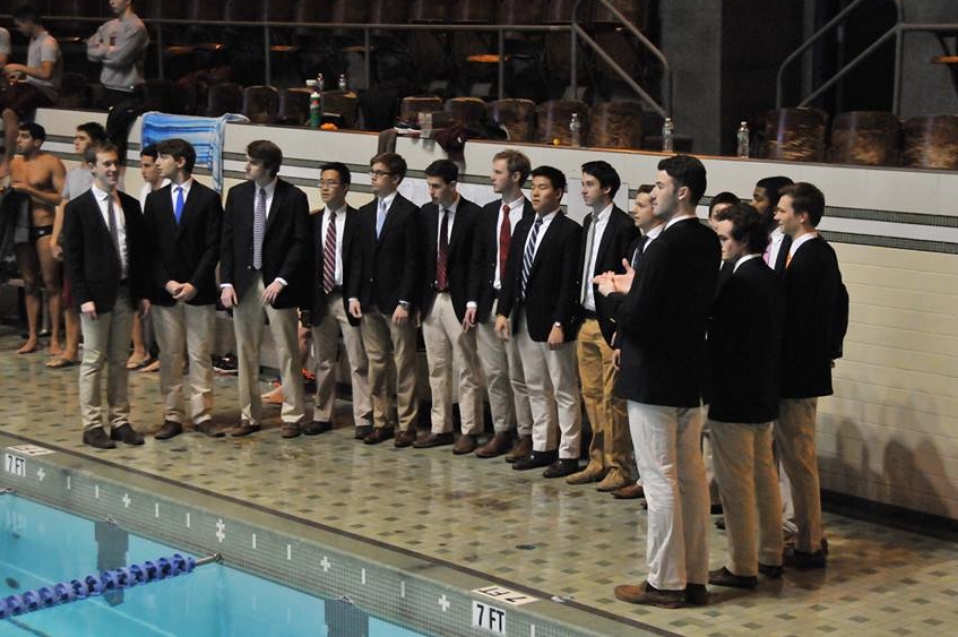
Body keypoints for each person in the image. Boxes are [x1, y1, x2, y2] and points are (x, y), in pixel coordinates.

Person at [599, 155, 720, 608]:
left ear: (682, 191)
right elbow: (673, 302)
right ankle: (693, 577)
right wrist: (638, 288)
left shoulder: (663, 245)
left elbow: (643, 315)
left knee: (659, 480)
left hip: (653, 371)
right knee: (688, 478)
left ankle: (664, 581)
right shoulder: (705, 241)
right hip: (687, 370)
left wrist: (611, 296)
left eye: (660, 184)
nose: (654, 192)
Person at [707, 202, 785, 588]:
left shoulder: (739, 282)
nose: (719, 245)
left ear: (742, 239)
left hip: (735, 395)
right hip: (762, 393)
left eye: (723, 238)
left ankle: (741, 565)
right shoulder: (768, 276)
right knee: (764, 476)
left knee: (736, 484)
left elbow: (724, 341)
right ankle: (771, 553)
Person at [774, 182, 848, 569]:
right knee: (790, 458)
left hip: (799, 373)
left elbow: (825, 312)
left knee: (799, 458)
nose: (776, 214)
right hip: (793, 370)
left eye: (783, 210)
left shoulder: (815, 256)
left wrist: (825, 353)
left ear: (802, 215)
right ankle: (797, 529)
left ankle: (809, 540)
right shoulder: (794, 251)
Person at [495, 165, 582, 478]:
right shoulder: (523, 226)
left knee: (564, 389)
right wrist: (503, 311)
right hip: (525, 319)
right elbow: (511, 273)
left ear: (558, 193)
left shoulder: (570, 231)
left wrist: (561, 322)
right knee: (535, 386)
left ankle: (569, 452)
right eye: (534, 186)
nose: (535, 192)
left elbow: (569, 282)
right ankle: (542, 446)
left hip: (554, 323)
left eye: (543, 187)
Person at [220, 140, 311, 438]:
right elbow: (229, 241)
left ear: (269, 168)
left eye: (253, 162)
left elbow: (300, 242)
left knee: (287, 350)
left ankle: (293, 414)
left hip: (278, 284)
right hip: (245, 282)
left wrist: (281, 279)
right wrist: (227, 282)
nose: (247, 167)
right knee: (246, 350)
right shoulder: (237, 195)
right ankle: (249, 414)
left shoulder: (293, 197)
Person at [62, 141, 149, 449]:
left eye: (115, 163)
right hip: (95, 296)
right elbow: (72, 258)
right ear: (92, 168)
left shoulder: (129, 205)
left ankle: (120, 420)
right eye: (106, 164)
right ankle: (92, 423)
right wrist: (82, 296)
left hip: (126, 292)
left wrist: (143, 292)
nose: (113, 169)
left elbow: (138, 252)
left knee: (119, 359)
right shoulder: (78, 208)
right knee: (93, 359)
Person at [144, 138, 223, 440]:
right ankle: (172, 414)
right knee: (170, 354)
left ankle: (202, 413)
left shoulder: (207, 198)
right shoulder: (155, 200)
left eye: (163, 157)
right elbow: (149, 249)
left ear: (180, 161)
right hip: (166, 290)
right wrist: (167, 282)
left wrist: (195, 282)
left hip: (197, 289)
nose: (158, 163)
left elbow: (213, 246)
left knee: (200, 353)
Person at [567, 160, 637, 492]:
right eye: (582, 183)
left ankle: (619, 465)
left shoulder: (623, 226)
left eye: (590, 184)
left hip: (608, 323)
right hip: (585, 318)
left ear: (607, 188)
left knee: (613, 400)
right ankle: (597, 460)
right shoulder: (587, 221)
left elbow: (625, 281)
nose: (583, 189)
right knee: (591, 396)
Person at [347, 152, 422, 448]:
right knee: (376, 364)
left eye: (379, 173)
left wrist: (406, 301)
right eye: (372, 172)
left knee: (404, 363)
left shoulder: (409, 213)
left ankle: (407, 423)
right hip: (368, 300)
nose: (373, 177)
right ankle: (381, 420)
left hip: (396, 301)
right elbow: (356, 258)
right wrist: (353, 294)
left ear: (396, 179)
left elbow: (413, 262)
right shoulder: (364, 213)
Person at [465, 149, 534, 461]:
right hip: (488, 300)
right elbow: (478, 260)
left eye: (498, 172)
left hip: (517, 306)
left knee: (519, 374)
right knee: (493, 373)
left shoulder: (532, 215)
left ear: (516, 176)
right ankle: (502, 429)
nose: (492, 177)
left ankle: (527, 433)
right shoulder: (488, 213)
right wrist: (471, 301)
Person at [416, 159, 483, 453]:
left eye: (436, 186)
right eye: (428, 185)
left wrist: (472, 301)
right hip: (433, 298)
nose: (431, 192)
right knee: (437, 366)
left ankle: (469, 428)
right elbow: (419, 259)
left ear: (453, 185)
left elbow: (477, 263)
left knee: (466, 367)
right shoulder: (426, 214)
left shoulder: (473, 216)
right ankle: (440, 426)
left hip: (459, 299)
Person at [307, 162, 373, 438]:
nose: (324, 187)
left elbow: (362, 262)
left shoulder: (359, 221)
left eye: (331, 182)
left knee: (359, 361)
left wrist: (357, 294)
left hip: (349, 297)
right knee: (323, 360)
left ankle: (364, 417)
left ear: (345, 187)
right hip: (321, 297)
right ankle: (322, 414)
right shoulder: (313, 221)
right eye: (322, 181)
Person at [607, 184, 663, 502]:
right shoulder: (637, 245)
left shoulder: (661, 247)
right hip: (630, 334)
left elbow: (642, 300)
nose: (635, 210)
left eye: (642, 204)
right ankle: (642, 477)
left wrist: (615, 295)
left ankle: (651, 481)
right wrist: (620, 337)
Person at [48, 122, 107, 369]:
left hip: (97, 247)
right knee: (70, 298)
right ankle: (71, 349)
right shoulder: (74, 174)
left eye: (81, 138)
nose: (76, 142)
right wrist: (54, 238)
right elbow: (63, 206)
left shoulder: (106, 172)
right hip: (75, 244)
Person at [7, 123, 65, 356]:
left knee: (51, 284)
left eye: (24, 137)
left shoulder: (51, 163)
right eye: (18, 136)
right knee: (29, 283)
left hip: (46, 227)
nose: (19, 141)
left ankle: (54, 337)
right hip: (22, 229)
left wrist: (31, 190)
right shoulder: (14, 163)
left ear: (37, 141)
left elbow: (62, 198)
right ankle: (32, 335)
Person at [0, 6, 62, 180]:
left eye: (20, 25)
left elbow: (46, 73)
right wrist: (21, 74)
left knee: (10, 112)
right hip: (31, 86)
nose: (19, 29)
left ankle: (7, 161)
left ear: (29, 22)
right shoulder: (34, 41)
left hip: (45, 91)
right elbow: (35, 72)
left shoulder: (48, 42)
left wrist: (20, 67)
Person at [86, 0, 148, 165]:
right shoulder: (107, 26)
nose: (111, 1)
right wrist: (109, 50)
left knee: (115, 141)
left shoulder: (135, 27)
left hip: (127, 91)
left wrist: (103, 49)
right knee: (97, 138)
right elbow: (90, 51)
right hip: (106, 89)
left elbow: (120, 59)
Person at [128, 143, 168, 371]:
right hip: (146, 254)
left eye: (147, 165)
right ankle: (140, 349)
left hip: (164, 258)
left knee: (166, 309)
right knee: (136, 299)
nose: (143, 171)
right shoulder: (145, 191)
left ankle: (169, 354)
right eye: (141, 166)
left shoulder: (168, 190)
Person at [752, 175, 793, 275]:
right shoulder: (753, 236)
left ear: (777, 205)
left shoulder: (793, 243)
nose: (752, 204)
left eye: (758, 199)